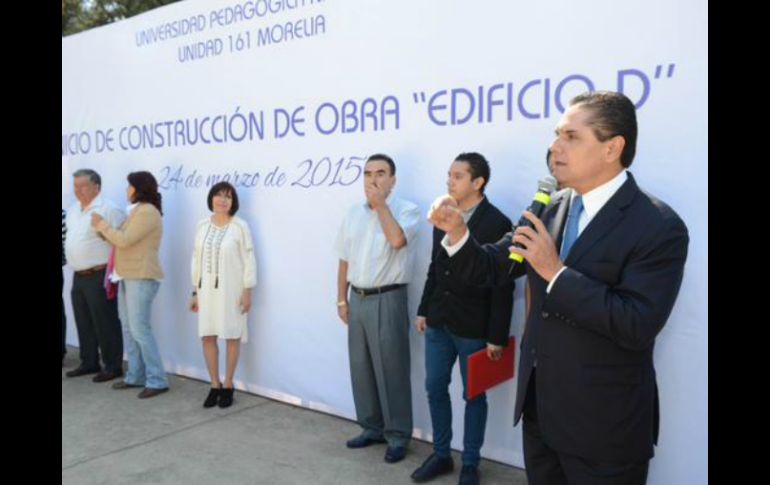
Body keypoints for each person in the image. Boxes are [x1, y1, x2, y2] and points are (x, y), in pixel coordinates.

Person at [429, 91, 689, 485]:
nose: (554, 147)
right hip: (540, 417)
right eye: (555, 135)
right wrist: (459, 234)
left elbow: (636, 323)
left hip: (605, 431)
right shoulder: (549, 206)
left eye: (571, 136)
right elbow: (494, 267)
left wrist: (557, 273)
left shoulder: (658, 226)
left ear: (612, 148)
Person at [411, 153, 513, 485]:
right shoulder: (443, 215)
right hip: (439, 322)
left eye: (457, 176)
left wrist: (497, 335)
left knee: (474, 396)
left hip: (474, 327)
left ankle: (470, 463)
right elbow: (434, 267)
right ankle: (441, 455)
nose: (449, 181)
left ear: (478, 182)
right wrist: (425, 308)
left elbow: (502, 284)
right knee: (434, 388)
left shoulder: (498, 222)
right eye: (448, 175)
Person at [335, 154, 420, 464]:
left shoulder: (407, 210)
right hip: (357, 298)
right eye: (368, 173)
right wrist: (341, 299)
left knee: (392, 369)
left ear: (393, 180)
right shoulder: (352, 213)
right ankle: (371, 427)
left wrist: (381, 205)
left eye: (381, 173)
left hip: (388, 298)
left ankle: (397, 435)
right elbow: (344, 258)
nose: (373, 179)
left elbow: (397, 240)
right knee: (361, 366)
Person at [93, 171, 170, 399]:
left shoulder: (147, 212)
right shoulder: (136, 211)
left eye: (129, 186)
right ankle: (136, 375)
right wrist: (102, 230)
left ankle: (157, 379)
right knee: (129, 328)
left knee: (139, 329)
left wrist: (103, 226)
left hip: (141, 276)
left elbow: (124, 240)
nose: (126, 190)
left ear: (139, 188)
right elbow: (121, 240)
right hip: (127, 275)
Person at [190, 181, 257, 408]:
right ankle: (214, 384)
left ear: (233, 202)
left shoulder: (240, 226)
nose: (222, 200)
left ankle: (228, 384)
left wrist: (247, 291)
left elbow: (249, 260)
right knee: (207, 336)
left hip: (232, 291)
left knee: (231, 336)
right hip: (205, 291)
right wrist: (194, 292)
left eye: (228, 196)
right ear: (211, 198)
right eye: (218, 195)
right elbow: (195, 260)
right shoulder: (201, 225)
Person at [64, 169, 125, 381]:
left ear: (97, 187)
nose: (78, 190)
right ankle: (89, 362)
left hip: (99, 273)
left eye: (83, 186)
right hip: (78, 275)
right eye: (75, 186)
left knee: (104, 321)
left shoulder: (109, 209)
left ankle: (112, 365)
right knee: (84, 320)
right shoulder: (73, 209)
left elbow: (120, 241)